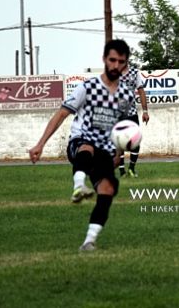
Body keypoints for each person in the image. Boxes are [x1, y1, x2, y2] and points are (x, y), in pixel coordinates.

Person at [28, 39, 135, 251]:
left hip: (105, 149)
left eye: (120, 61)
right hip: (80, 143)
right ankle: (78, 187)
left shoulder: (127, 95)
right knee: (87, 146)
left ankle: (89, 241)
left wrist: (120, 154)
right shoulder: (87, 88)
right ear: (104, 59)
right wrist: (40, 144)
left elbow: (123, 128)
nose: (115, 65)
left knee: (107, 189)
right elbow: (61, 114)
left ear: (126, 64)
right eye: (112, 60)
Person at [117, 61, 149, 178]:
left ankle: (131, 168)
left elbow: (141, 91)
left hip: (131, 113)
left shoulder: (134, 72)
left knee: (135, 141)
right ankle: (121, 171)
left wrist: (145, 111)